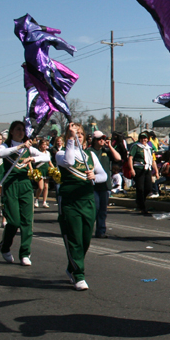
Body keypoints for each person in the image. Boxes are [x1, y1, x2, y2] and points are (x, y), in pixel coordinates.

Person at [56, 123, 107, 290]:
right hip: (70, 202)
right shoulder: (61, 153)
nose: (77, 136)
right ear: (66, 137)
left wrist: (94, 176)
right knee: (74, 239)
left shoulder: (90, 156)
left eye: (80, 133)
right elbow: (69, 162)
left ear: (85, 137)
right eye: (73, 133)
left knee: (85, 240)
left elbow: (103, 176)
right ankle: (79, 274)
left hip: (88, 201)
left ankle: (72, 267)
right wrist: (70, 140)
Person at [0, 121, 51, 265]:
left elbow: (47, 157)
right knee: (14, 221)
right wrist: (20, 146)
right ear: (12, 131)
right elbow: (0, 153)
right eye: (18, 129)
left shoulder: (29, 149)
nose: (21, 132)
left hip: (25, 185)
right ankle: (5, 246)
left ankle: (25, 253)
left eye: (23, 130)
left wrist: (33, 158)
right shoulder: (7, 146)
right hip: (10, 185)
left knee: (27, 221)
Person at [89, 131, 120, 239]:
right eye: (99, 139)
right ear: (94, 140)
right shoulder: (89, 152)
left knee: (103, 210)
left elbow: (118, 158)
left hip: (105, 185)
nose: (102, 141)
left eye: (103, 138)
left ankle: (101, 231)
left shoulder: (106, 151)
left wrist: (110, 146)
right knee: (95, 209)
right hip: (93, 185)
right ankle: (87, 230)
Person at [127, 132, 158, 215]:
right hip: (138, 168)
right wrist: (132, 169)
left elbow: (152, 160)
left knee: (148, 188)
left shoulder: (149, 148)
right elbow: (130, 158)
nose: (143, 140)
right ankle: (142, 207)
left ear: (147, 139)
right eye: (141, 138)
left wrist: (156, 171)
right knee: (140, 188)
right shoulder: (136, 147)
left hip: (147, 169)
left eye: (145, 138)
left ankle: (140, 201)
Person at [33, 138, 52, 208]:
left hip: (46, 170)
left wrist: (54, 169)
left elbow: (49, 162)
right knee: (41, 187)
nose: (44, 146)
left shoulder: (48, 153)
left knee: (46, 187)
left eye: (45, 145)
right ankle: (36, 199)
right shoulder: (37, 152)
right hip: (39, 170)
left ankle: (44, 201)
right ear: (40, 145)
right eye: (43, 144)